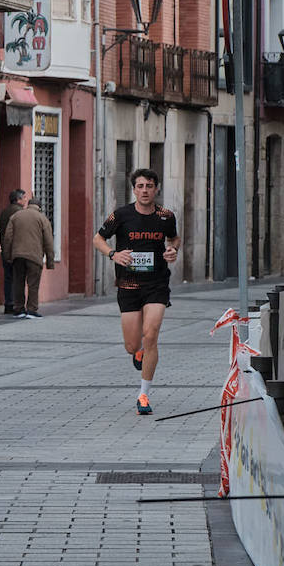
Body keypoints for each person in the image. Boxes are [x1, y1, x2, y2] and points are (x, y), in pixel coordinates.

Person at [92, 168, 179, 416]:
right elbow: (97, 239)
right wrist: (113, 254)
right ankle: (138, 352)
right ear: (134, 189)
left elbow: (174, 239)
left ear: (156, 189)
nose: (144, 190)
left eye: (149, 186)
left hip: (157, 284)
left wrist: (172, 251)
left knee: (151, 334)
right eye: (140, 186)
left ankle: (143, 394)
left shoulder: (166, 216)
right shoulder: (121, 215)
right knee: (132, 345)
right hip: (128, 285)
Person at [5, 196, 54, 319]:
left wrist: (8, 255)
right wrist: (50, 261)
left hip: (18, 255)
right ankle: (32, 310)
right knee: (33, 284)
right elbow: (48, 242)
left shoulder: (16, 216)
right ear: (39, 207)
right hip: (34, 256)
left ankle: (19, 309)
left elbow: (8, 238)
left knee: (18, 282)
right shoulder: (42, 219)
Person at [0, 189, 27, 314]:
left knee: (8, 277)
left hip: (6, 250)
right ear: (18, 199)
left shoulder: (4, 212)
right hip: (16, 250)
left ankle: (9, 303)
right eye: (24, 197)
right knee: (18, 277)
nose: (26, 200)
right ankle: (16, 305)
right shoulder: (20, 213)